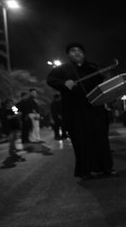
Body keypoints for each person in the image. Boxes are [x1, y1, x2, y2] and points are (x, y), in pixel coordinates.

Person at [46, 42, 117, 179]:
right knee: (81, 142)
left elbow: (105, 83)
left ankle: (106, 168)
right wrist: (64, 83)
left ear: (84, 53)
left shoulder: (93, 67)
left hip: (96, 109)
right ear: (68, 55)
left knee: (101, 139)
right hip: (75, 112)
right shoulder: (62, 69)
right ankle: (86, 171)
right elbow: (50, 79)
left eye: (79, 50)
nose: (77, 52)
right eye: (73, 51)